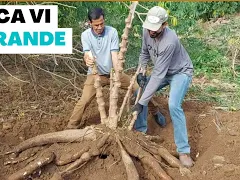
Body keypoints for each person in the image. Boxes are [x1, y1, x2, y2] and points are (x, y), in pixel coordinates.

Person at [66, 7, 166, 130]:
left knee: (138, 88)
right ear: (90, 23)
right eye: (96, 25)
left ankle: (155, 111)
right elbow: (87, 54)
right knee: (84, 101)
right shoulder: (85, 35)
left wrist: (117, 73)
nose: (99, 27)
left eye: (102, 23)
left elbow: (114, 55)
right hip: (95, 74)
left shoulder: (111, 32)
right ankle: (71, 127)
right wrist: (87, 59)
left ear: (104, 20)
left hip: (113, 72)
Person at [132, 6, 194, 167]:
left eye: (155, 29)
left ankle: (184, 151)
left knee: (173, 105)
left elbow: (159, 74)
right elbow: (144, 53)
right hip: (163, 71)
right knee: (139, 92)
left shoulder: (170, 41)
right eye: (149, 28)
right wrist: (142, 70)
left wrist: (141, 103)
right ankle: (140, 133)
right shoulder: (147, 31)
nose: (151, 32)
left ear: (164, 25)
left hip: (180, 72)